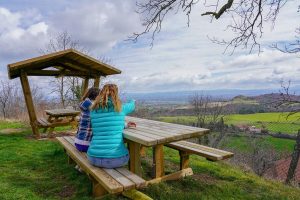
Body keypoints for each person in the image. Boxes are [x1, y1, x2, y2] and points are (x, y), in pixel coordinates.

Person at [87, 84, 135, 168]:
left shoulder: (93, 110)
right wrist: (132, 101)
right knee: (130, 153)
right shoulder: (120, 108)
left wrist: (125, 125)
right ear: (116, 94)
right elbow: (132, 106)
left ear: (101, 93)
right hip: (114, 160)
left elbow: (105, 124)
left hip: (93, 158)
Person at [74, 87, 100, 152]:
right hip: (88, 145)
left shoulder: (84, 105)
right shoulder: (95, 108)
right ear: (98, 96)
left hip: (78, 143)